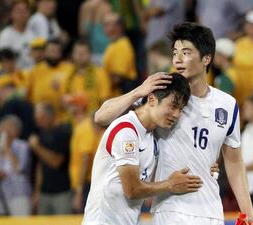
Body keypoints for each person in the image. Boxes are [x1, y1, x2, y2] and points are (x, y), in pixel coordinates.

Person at [94, 22, 253, 225]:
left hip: (212, 210)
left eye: (187, 53)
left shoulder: (227, 105)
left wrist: (248, 211)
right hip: (171, 209)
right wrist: (138, 91)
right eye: (175, 53)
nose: (178, 60)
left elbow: (234, 161)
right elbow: (101, 117)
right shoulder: (160, 90)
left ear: (206, 58)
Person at [82, 73, 203, 224]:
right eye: (172, 106)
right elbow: (132, 190)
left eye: (180, 109)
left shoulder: (152, 135)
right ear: (151, 99)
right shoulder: (126, 131)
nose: (176, 114)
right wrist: (170, 184)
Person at [0, 115, 32, 216]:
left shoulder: (23, 146)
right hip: (0, 195)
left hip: (18, 195)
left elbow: (19, 168)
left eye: (8, 127)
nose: (4, 130)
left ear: (16, 130)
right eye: (3, 127)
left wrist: (7, 148)